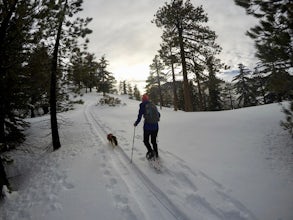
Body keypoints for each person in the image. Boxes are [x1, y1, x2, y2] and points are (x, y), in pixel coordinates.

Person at [134, 94, 160, 160]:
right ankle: (156, 154)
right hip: (155, 126)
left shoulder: (142, 106)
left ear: (142, 100)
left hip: (147, 127)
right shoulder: (153, 105)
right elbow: (159, 115)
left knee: (146, 141)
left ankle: (150, 151)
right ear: (148, 99)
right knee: (153, 141)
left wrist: (136, 123)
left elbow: (139, 117)